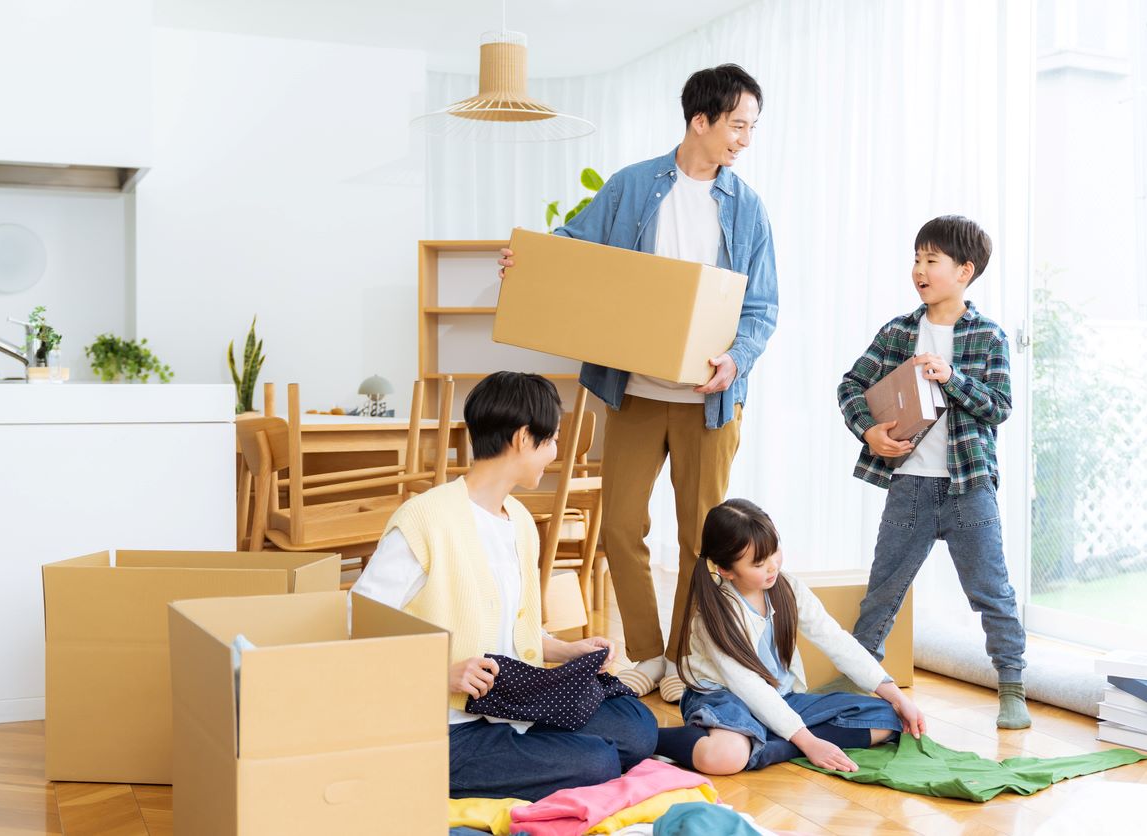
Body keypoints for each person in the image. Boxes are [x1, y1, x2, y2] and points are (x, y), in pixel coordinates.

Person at [497, 64, 779, 702]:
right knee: (622, 527)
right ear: (699, 120)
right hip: (633, 394)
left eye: (751, 127)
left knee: (699, 537)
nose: (744, 138)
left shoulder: (747, 208)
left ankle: (683, 659)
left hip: (710, 403)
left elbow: (761, 308)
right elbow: (573, 247)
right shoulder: (632, 188)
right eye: (736, 125)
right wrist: (530, 260)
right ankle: (648, 654)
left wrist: (737, 358)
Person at [351, 371, 657, 800]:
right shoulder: (425, 520)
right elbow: (355, 627)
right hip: (444, 725)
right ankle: (430, 771)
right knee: (597, 761)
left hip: (511, 700)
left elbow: (513, 630)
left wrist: (565, 650)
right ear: (521, 438)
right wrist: (440, 674)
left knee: (637, 729)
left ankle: (532, 754)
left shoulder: (520, 521)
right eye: (550, 440)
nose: (554, 452)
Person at [836, 215, 1031, 729]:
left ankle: (1012, 687)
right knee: (884, 589)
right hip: (910, 484)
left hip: (970, 487)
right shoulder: (899, 331)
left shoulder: (988, 336)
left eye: (931, 260)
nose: (918, 270)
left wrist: (953, 378)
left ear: (964, 271)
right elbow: (851, 386)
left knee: (993, 590)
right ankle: (860, 681)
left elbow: (1000, 406)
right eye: (916, 259)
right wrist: (869, 432)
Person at [652, 499, 924, 774]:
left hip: (782, 698)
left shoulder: (789, 588)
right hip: (725, 700)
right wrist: (809, 743)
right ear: (726, 570)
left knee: (890, 718)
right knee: (726, 756)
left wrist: (897, 697)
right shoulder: (714, 617)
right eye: (759, 563)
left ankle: (768, 743)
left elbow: (835, 640)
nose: (773, 566)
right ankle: (655, 739)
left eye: (775, 551)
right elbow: (748, 686)